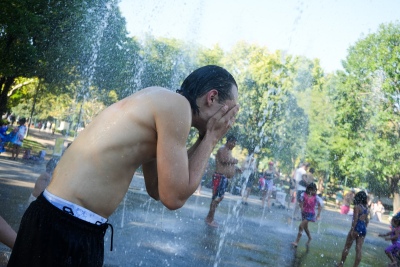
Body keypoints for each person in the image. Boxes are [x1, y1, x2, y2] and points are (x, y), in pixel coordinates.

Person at [8, 65, 240, 266]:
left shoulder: (163, 102)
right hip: (65, 227)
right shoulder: (176, 106)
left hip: (61, 221)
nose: (231, 118)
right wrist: (211, 139)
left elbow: (157, 189)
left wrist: (203, 139)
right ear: (212, 97)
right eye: (231, 108)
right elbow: (174, 198)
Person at [205, 135, 239, 227]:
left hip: (223, 178)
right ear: (228, 142)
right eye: (233, 143)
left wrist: (235, 169)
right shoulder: (222, 149)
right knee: (217, 198)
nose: (234, 145)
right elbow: (224, 160)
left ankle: (210, 217)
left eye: (235, 143)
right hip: (219, 177)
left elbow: (227, 164)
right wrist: (234, 161)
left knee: (218, 198)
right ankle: (210, 219)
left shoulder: (227, 151)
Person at [337, 191, 369, 267]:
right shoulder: (366, 209)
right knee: (359, 249)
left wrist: (352, 230)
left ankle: (341, 264)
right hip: (363, 229)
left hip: (357, 228)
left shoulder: (357, 207)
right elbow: (367, 221)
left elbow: (355, 219)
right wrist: (363, 228)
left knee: (347, 247)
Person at [291, 183, 323, 247]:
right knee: (305, 227)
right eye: (309, 189)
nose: (311, 191)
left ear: (315, 190)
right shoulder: (304, 195)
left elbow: (320, 206)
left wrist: (318, 214)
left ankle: (296, 242)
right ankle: (310, 238)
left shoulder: (316, 197)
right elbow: (300, 202)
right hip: (304, 213)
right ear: (307, 189)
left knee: (301, 226)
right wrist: (301, 207)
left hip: (310, 214)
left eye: (312, 190)